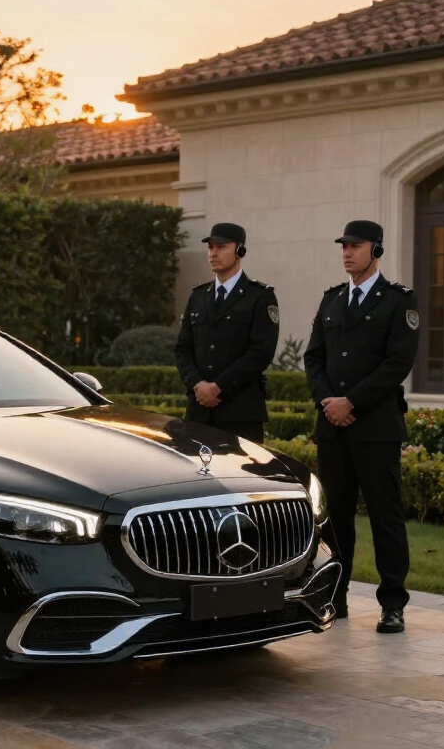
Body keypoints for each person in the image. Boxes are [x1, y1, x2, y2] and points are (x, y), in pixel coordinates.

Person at [304, 220, 419, 633]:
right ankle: (336, 596)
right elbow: (314, 358)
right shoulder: (332, 301)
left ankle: (392, 604)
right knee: (335, 518)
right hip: (333, 429)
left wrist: (352, 402)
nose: (347, 252)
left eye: (356, 245)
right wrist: (328, 403)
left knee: (385, 517)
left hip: (376, 428)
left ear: (377, 249)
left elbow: (397, 364)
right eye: (344, 246)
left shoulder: (397, 301)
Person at [175, 222, 279, 444]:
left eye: (221, 247)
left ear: (239, 250)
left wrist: (218, 387)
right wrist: (198, 385)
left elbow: (261, 352)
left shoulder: (259, 296)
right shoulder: (198, 296)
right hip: (198, 412)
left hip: (240, 413)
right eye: (211, 247)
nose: (213, 253)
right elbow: (183, 348)